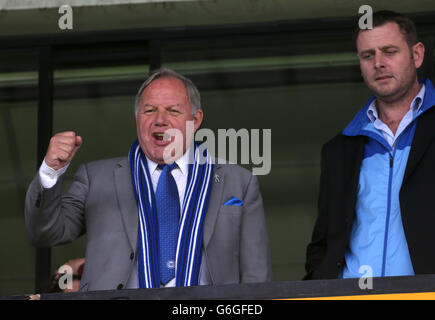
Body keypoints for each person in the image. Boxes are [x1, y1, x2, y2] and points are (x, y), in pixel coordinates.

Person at [25, 68, 272, 291]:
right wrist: (50, 172)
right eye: (149, 110)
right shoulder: (96, 178)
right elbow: (44, 233)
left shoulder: (238, 181)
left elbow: (257, 275)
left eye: (173, 110)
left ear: (195, 121)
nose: (160, 120)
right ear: (137, 118)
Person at [305, 10, 435, 280]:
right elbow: (324, 243)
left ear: (417, 54)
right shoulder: (339, 150)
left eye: (389, 51)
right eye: (368, 55)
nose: (379, 63)